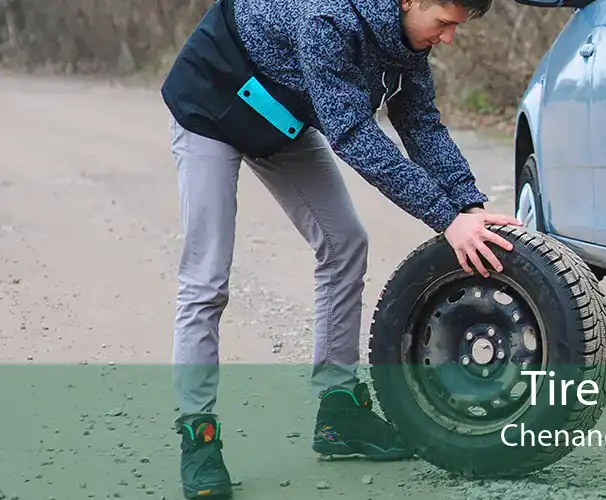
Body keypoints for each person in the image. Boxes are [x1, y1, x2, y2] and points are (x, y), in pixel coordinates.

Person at [159, 0, 518, 497]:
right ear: (410, 0)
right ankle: (197, 435)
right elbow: (352, 133)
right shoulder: (326, 21)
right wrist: (445, 219)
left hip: (280, 117)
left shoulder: (406, 42)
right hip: (210, 104)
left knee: (345, 243)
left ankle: (340, 412)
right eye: (444, 24)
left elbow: (421, 124)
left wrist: (469, 206)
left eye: (457, 28)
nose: (449, 39)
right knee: (207, 278)